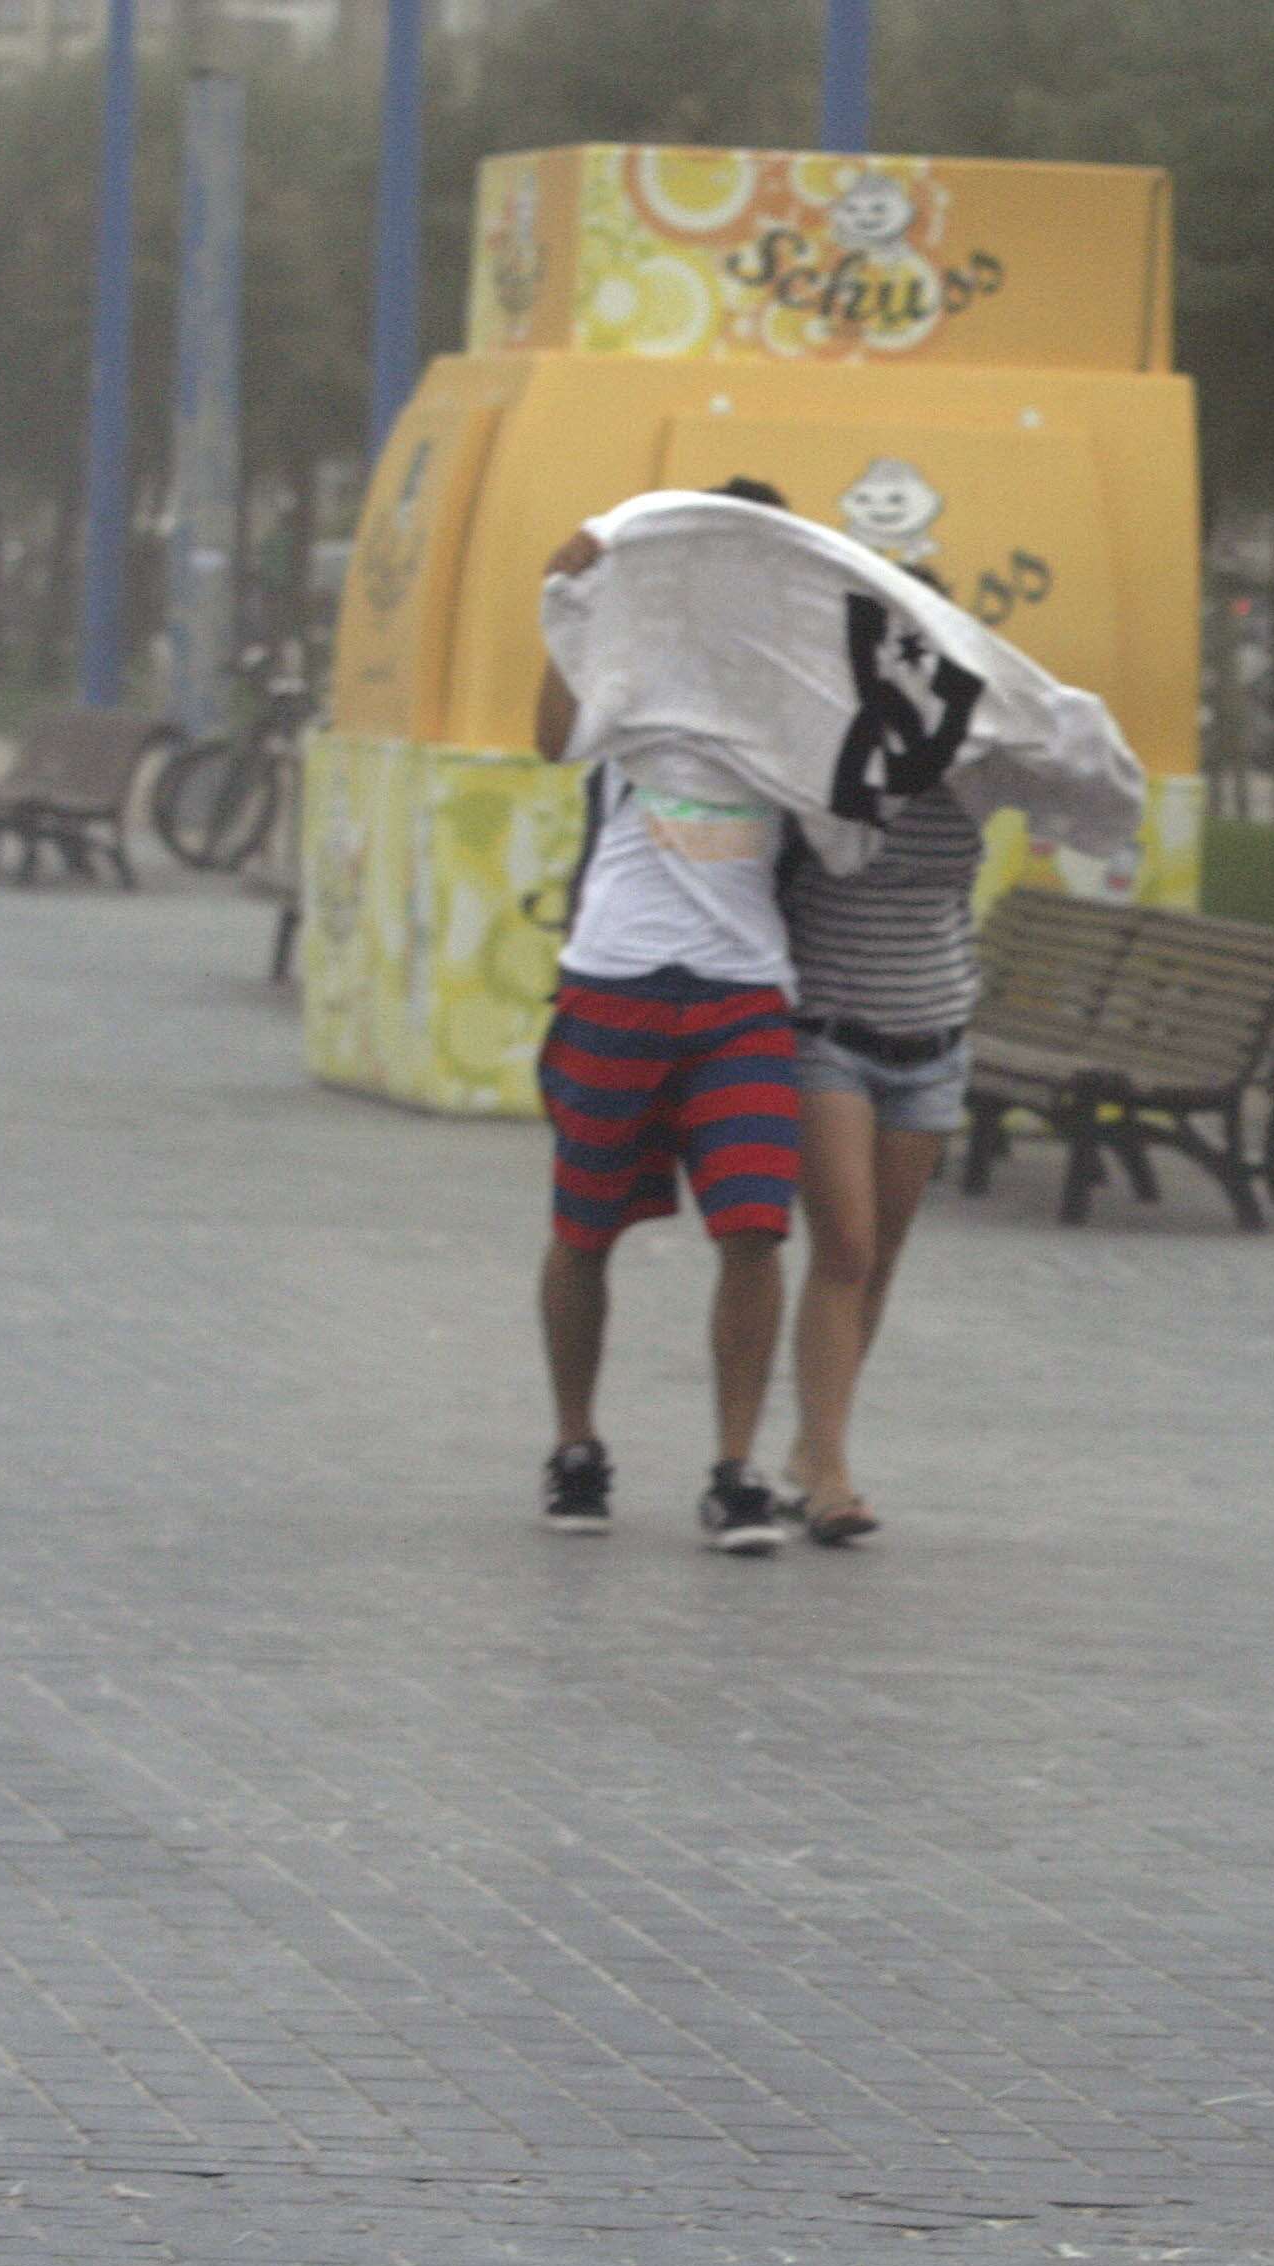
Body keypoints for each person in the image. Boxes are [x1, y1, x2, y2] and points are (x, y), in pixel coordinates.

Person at [529, 480, 804, 1556]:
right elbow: (552, 739)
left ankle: (736, 1471)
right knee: (583, 1230)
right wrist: (565, 599)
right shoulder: (632, 667)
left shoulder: (798, 689)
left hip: (743, 994)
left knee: (753, 1228)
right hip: (618, 979)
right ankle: (575, 1444)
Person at [772, 776, 987, 1545]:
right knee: (847, 1249)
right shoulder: (827, 757)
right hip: (830, 1037)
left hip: (933, 1045)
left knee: (881, 1254)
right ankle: (828, 1472)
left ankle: (811, 1444)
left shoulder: (974, 765)